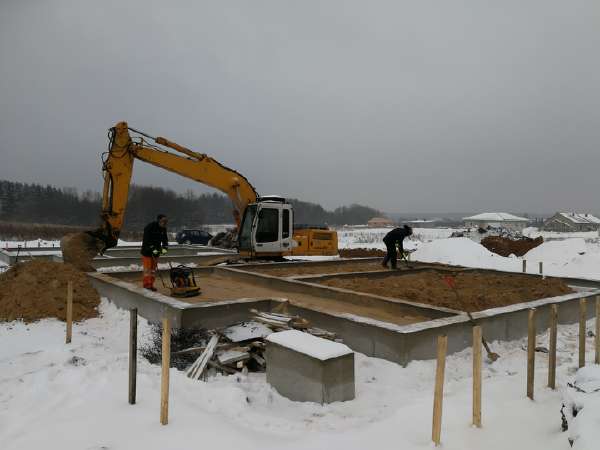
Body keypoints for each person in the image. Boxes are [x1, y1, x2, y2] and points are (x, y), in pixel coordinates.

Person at [141, 214, 169, 291]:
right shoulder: (150, 227)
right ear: (159, 221)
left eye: (166, 221)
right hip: (147, 252)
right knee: (148, 270)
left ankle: (151, 284)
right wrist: (152, 248)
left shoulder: (163, 229)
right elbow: (146, 240)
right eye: (163, 221)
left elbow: (165, 240)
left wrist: (165, 248)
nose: (164, 223)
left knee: (153, 270)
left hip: (156, 251)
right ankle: (146, 285)